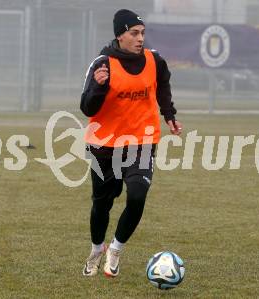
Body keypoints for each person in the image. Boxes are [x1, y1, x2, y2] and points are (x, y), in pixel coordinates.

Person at [80, 8, 182, 277]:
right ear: (120, 35)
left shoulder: (154, 60)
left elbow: (162, 85)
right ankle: (96, 249)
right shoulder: (102, 64)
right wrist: (98, 87)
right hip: (104, 145)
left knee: (137, 195)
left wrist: (169, 114)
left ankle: (115, 249)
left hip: (142, 141)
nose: (140, 39)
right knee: (102, 204)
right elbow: (87, 108)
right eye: (134, 33)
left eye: (142, 33)